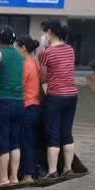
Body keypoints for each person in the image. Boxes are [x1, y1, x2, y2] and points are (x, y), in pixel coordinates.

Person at [38, 19, 78, 178]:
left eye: (43, 33)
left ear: (49, 32)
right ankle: (68, 168)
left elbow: (43, 78)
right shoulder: (70, 49)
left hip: (55, 97)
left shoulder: (46, 53)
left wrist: (43, 48)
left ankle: (52, 171)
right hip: (72, 96)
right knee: (67, 133)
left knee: (53, 134)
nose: (43, 36)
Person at [0, 25, 24, 186]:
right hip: (20, 102)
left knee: (3, 140)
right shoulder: (20, 55)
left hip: (3, 102)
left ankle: (3, 178)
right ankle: (14, 177)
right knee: (15, 141)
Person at [16, 36, 41, 183]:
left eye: (17, 47)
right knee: (30, 141)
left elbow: (19, 85)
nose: (16, 50)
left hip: (27, 106)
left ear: (23, 48)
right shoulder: (34, 63)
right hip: (35, 106)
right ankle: (31, 172)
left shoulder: (26, 65)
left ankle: (28, 175)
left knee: (25, 142)